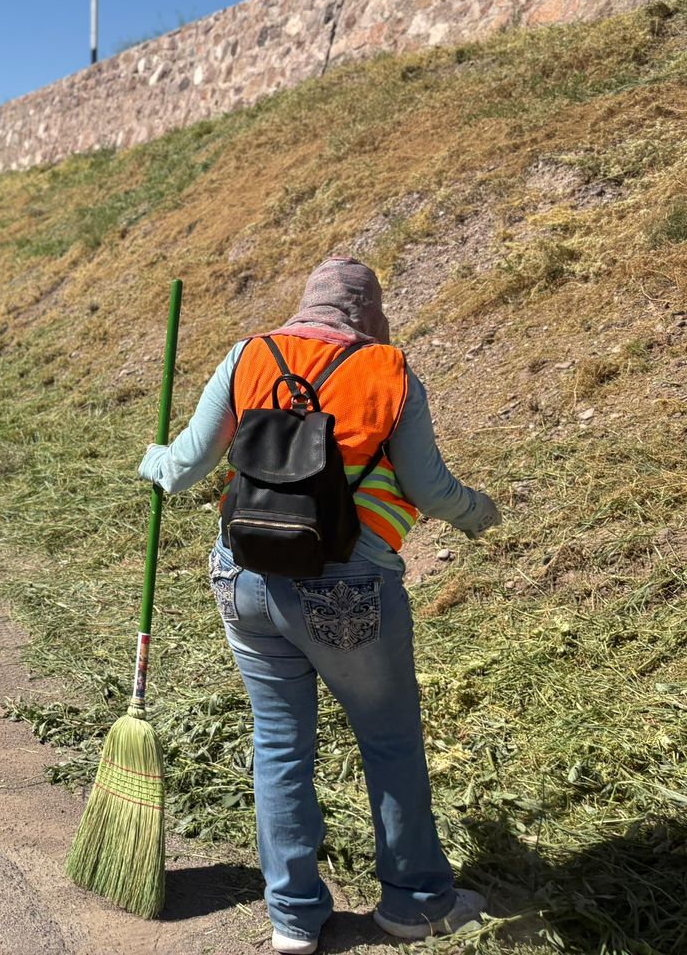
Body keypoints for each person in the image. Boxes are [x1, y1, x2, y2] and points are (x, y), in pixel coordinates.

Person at [137, 256, 498, 953]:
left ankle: (294, 918)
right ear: (369, 311)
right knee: (388, 739)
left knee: (279, 741)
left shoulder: (249, 355)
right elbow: (428, 488)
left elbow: (183, 469)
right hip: (346, 588)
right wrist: (479, 514)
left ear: (307, 303)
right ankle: (416, 903)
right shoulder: (390, 372)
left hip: (244, 578)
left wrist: (151, 460)